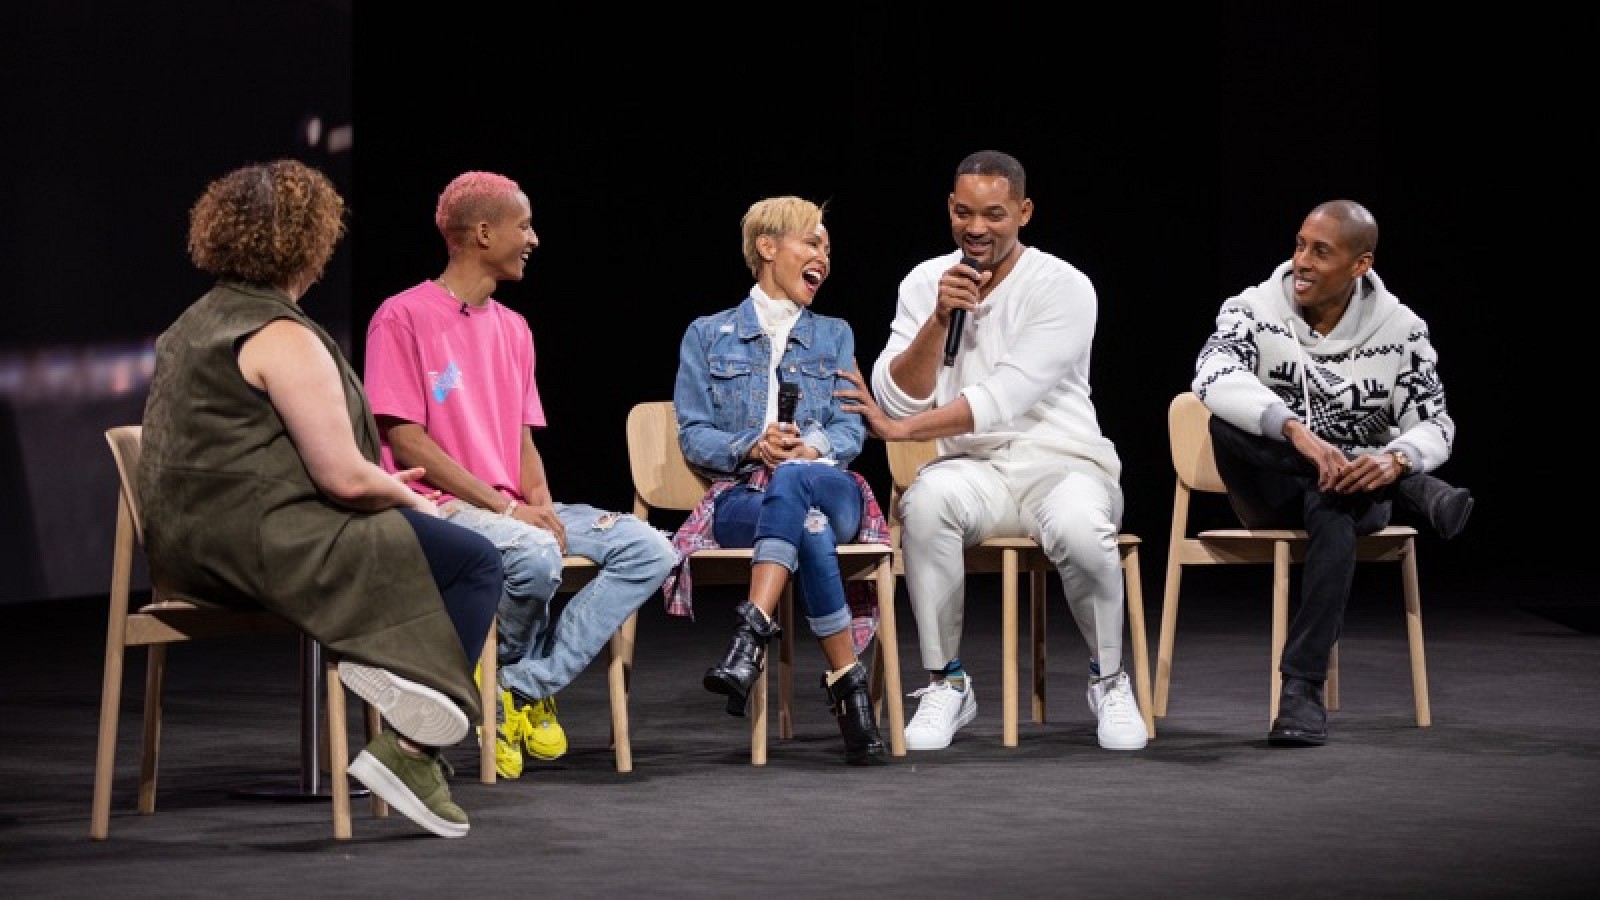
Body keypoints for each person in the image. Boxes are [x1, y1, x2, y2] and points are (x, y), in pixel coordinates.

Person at [139, 159, 501, 838]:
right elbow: (340, 475)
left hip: (186, 548)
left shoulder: (191, 324)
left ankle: (398, 677)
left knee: (420, 541)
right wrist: (412, 500)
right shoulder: (283, 335)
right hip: (263, 545)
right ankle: (412, 744)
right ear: (312, 241)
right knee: (471, 559)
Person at [363, 170, 676, 780]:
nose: (533, 238)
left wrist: (543, 506)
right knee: (533, 556)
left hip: (509, 507)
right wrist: (510, 512)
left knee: (650, 549)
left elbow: (523, 437)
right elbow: (405, 439)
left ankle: (518, 687)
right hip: (440, 505)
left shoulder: (514, 328)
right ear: (483, 232)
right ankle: (507, 695)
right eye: (524, 224)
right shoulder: (400, 317)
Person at [836, 149, 1147, 753]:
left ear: (1024, 212)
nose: (977, 228)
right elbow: (897, 395)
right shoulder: (926, 282)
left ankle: (1109, 681)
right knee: (924, 508)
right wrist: (937, 318)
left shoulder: (1064, 286)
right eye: (964, 213)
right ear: (950, 210)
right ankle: (946, 683)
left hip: (1064, 464)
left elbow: (1004, 395)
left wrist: (903, 432)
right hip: (972, 469)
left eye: (995, 214)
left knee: (1083, 529)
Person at [1191, 198, 1470, 747]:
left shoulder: (1403, 330)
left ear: (1360, 265)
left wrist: (1395, 459)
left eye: (1321, 251)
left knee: (1334, 499)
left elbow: (1435, 423)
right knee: (1229, 424)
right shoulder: (1250, 308)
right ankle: (1420, 491)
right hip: (1269, 487)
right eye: (1299, 245)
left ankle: (1301, 691)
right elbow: (1212, 373)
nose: (1302, 261)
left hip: (1350, 493)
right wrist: (1297, 432)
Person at [666, 195, 889, 766]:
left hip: (830, 484)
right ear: (768, 248)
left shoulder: (834, 334)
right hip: (746, 496)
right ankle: (848, 687)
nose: (824, 257)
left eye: (828, 249)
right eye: (813, 243)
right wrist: (752, 445)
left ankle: (750, 635)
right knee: (807, 526)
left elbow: (850, 429)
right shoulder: (707, 334)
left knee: (798, 482)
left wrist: (812, 444)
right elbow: (694, 435)